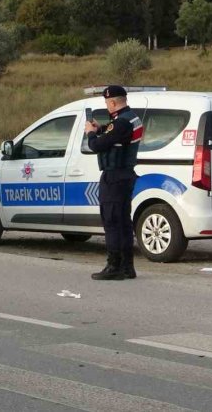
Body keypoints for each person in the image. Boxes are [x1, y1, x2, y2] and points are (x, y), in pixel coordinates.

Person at [85, 86, 143, 280]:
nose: (107, 106)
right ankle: (127, 266)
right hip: (125, 176)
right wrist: (100, 128)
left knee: (112, 222)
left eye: (106, 103)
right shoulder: (131, 119)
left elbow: (97, 145)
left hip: (115, 177)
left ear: (112, 102)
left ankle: (114, 266)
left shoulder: (121, 123)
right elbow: (115, 134)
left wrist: (91, 133)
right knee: (124, 222)